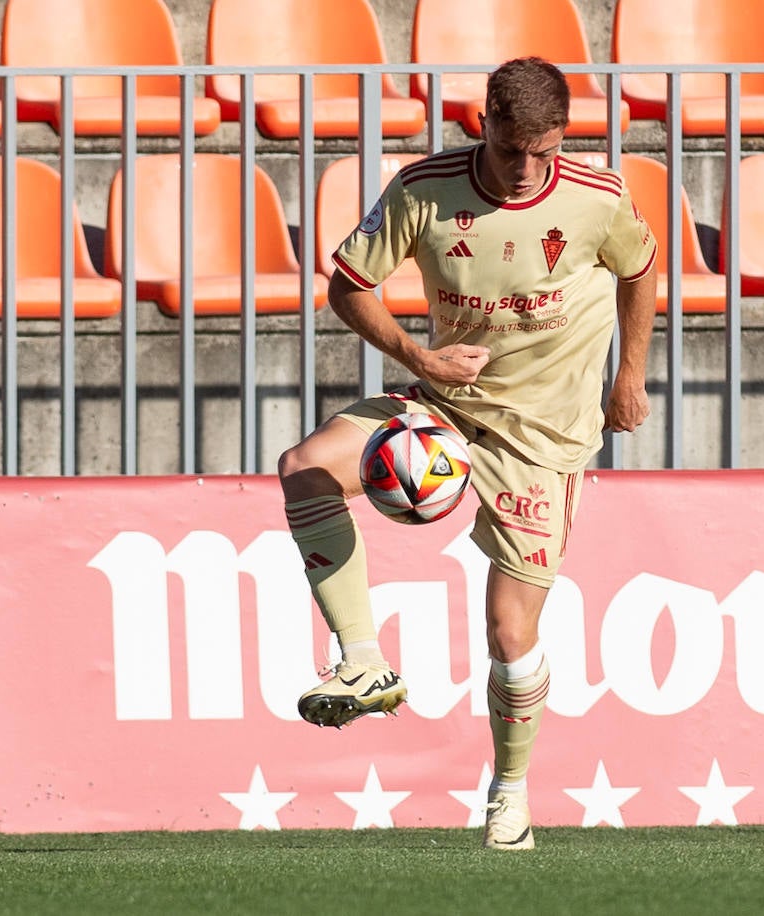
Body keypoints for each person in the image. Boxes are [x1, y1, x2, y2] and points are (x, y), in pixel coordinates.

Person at [277, 56, 658, 850]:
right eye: (513, 147)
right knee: (305, 467)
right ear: (481, 122)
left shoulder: (599, 199)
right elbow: (348, 286)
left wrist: (629, 376)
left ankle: (509, 794)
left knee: (510, 637)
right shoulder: (426, 189)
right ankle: (363, 663)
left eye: (545, 151)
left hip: (543, 441)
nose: (527, 169)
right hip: (446, 405)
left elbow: (640, 272)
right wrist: (423, 362)